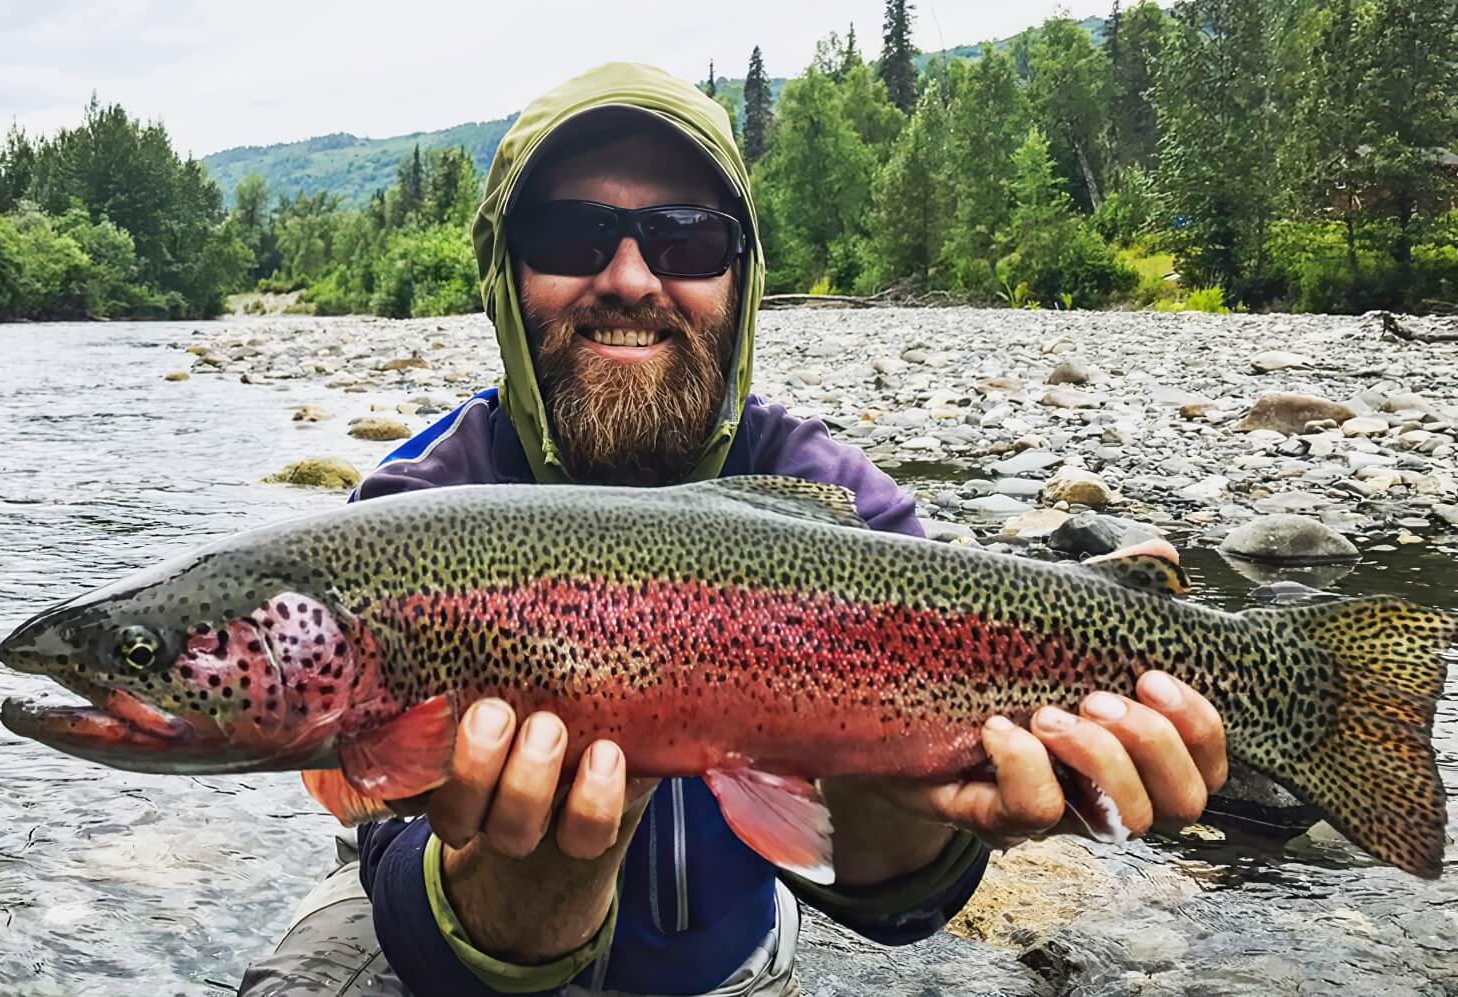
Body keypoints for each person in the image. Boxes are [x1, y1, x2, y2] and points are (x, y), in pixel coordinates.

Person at [239, 62, 1228, 997]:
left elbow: (902, 910)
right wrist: (527, 882)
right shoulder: (412, 520)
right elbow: (417, 930)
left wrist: (908, 799)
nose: (629, 276)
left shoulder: (841, 507)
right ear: (503, 275)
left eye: (686, 240)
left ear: (741, 282)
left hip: (725, 963)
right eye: (570, 236)